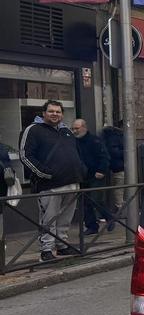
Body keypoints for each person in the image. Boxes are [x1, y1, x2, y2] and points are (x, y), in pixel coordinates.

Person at [20, 101, 85, 261]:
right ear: (43, 113)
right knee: (49, 218)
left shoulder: (66, 131)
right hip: (49, 184)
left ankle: (62, 245)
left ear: (62, 114)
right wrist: (45, 174)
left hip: (72, 182)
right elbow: (25, 156)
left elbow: (76, 152)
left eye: (58, 111)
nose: (55, 114)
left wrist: (81, 170)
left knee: (65, 218)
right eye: (51, 111)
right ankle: (46, 249)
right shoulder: (33, 130)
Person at [72, 119, 110, 235]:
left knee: (96, 199)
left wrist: (101, 170)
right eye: (73, 129)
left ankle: (109, 217)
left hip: (95, 174)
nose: (74, 131)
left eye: (77, 128)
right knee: (85, 202)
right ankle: (91, 226)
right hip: (82, 176)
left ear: (84, 127)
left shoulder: (94, 140)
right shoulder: (74, 141)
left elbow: (104, 156)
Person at [102, 122, 126, 229]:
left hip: (114, 167)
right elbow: (114, 152)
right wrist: (126, 152)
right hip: (118, 167)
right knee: (119, 190)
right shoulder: (115, 137)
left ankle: (118, 210)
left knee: (118, 189)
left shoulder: (109, 137)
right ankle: (119, 210)